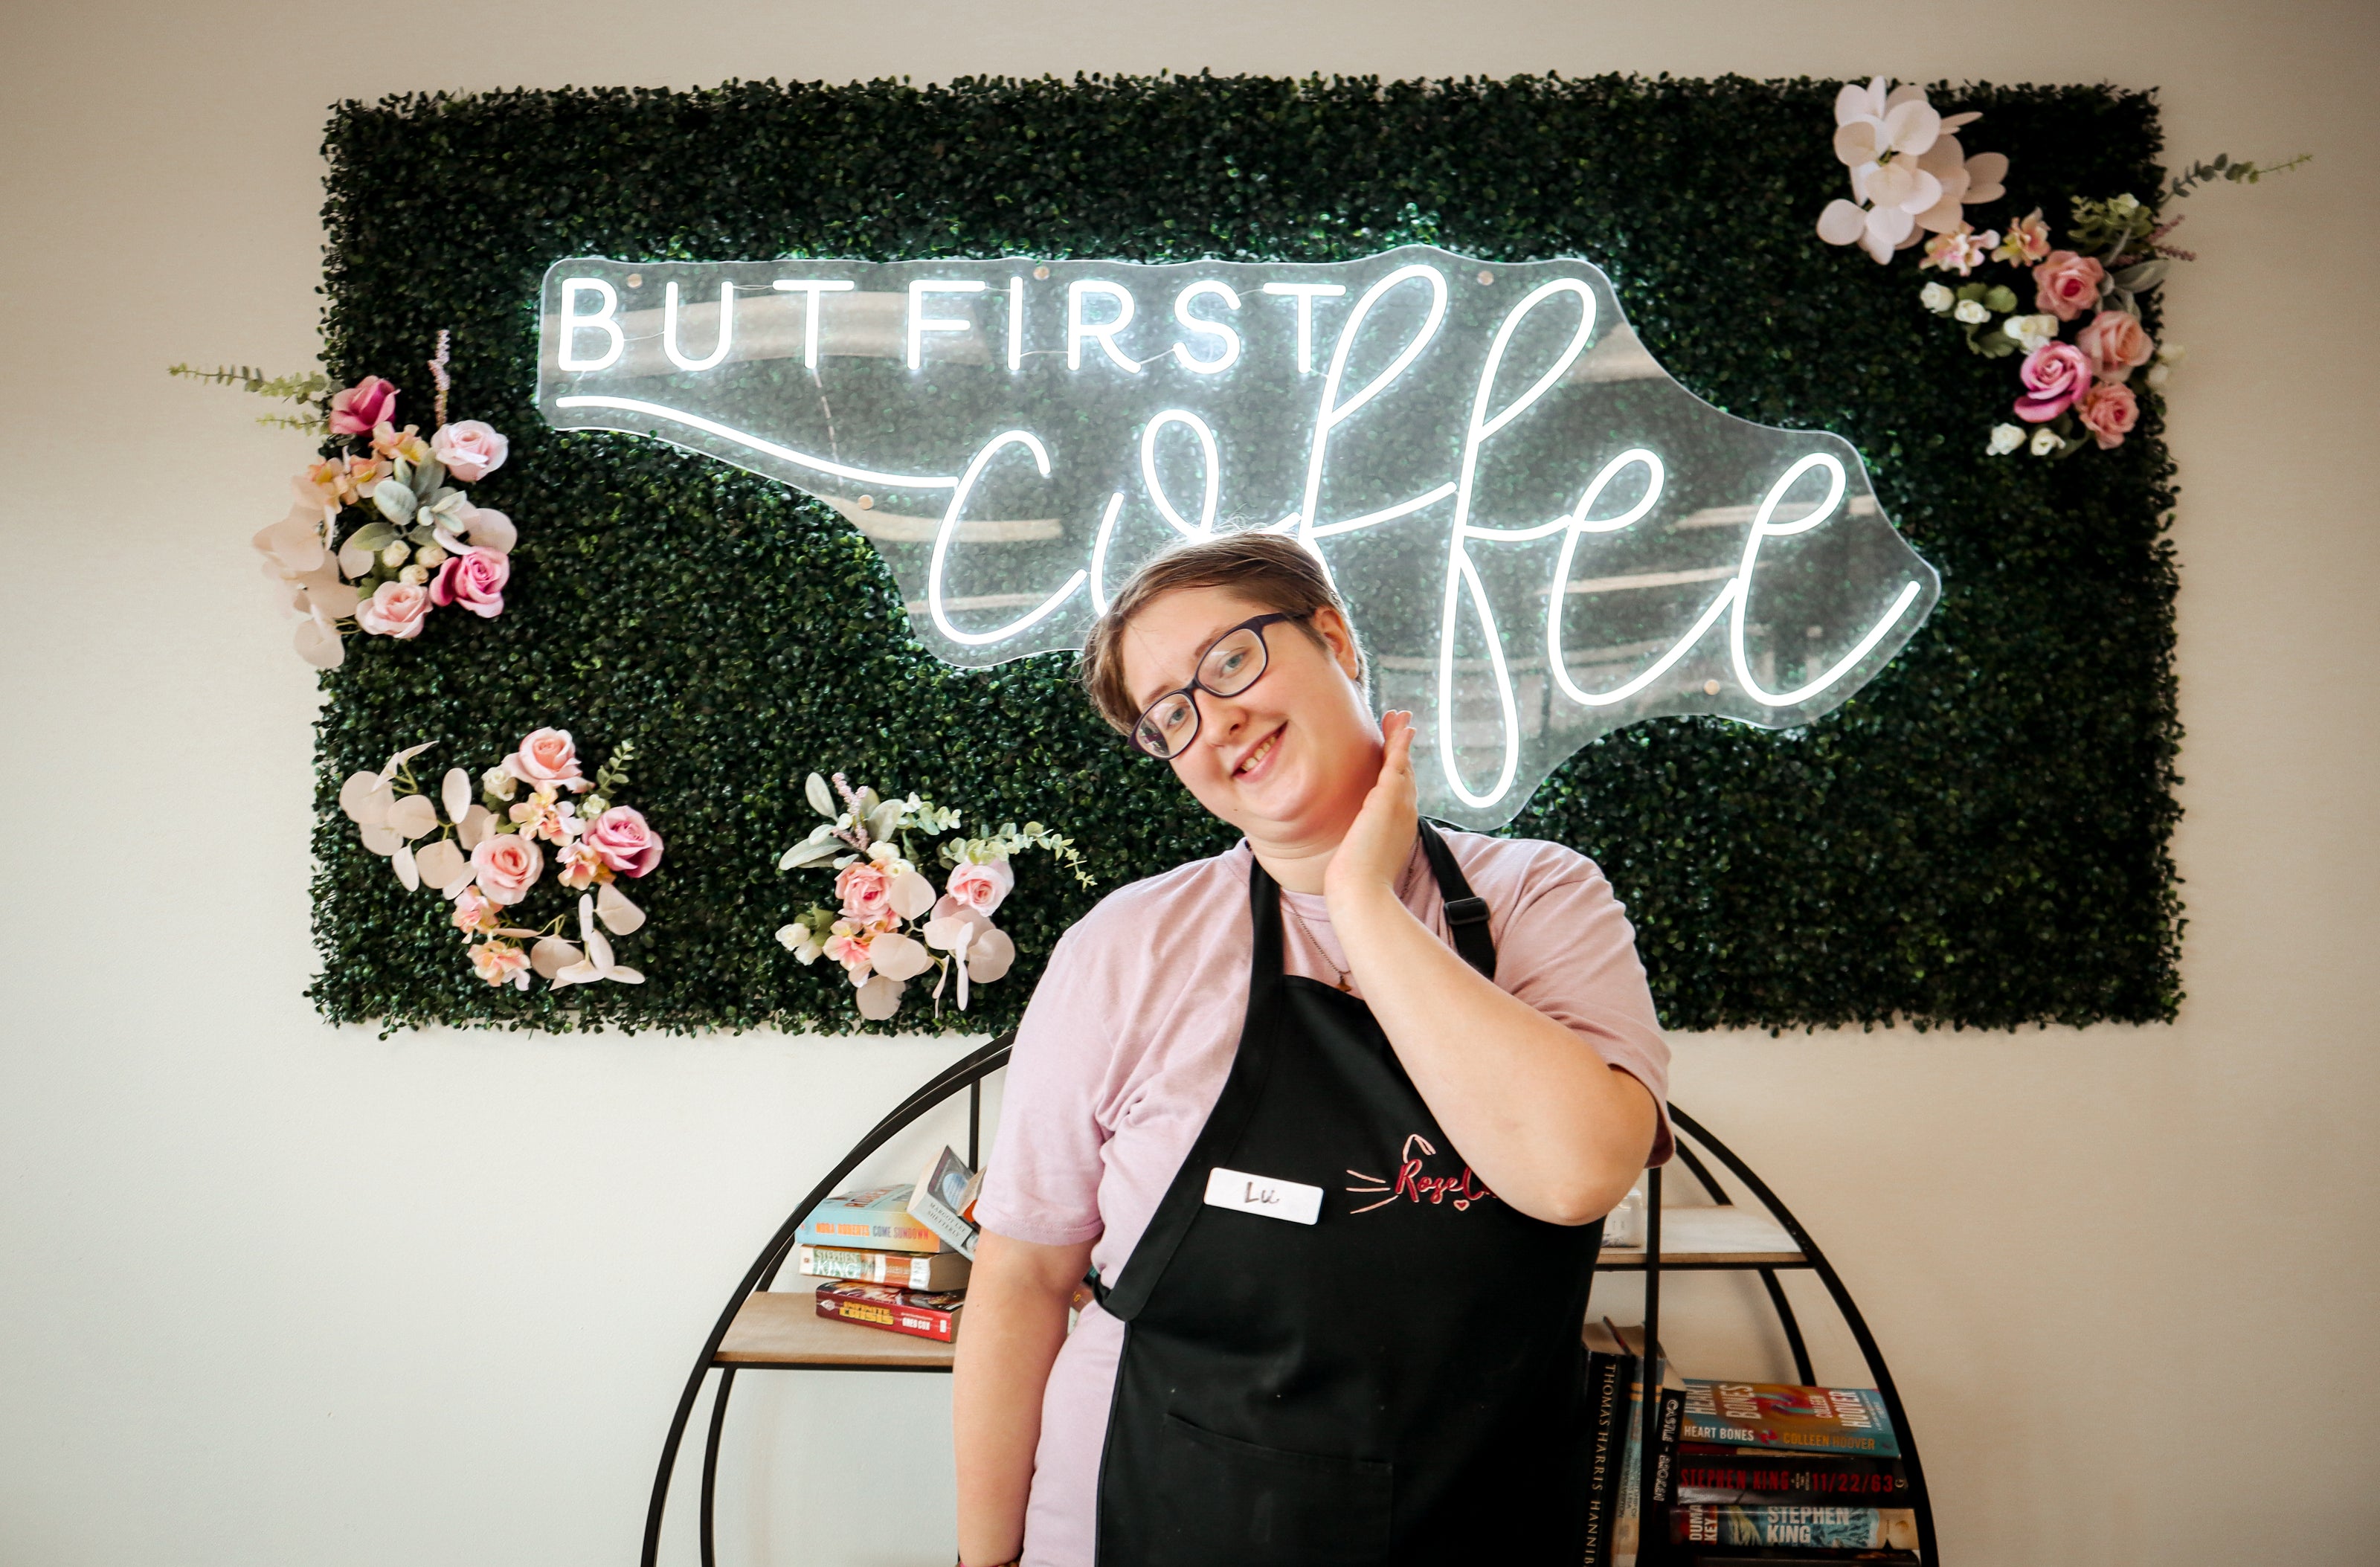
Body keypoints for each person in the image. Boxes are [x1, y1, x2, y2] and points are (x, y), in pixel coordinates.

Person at [951, 532, 1670, 1567]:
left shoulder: (1540, 899)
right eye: (1173, 716)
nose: (1216, 719)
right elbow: (1021, 1278)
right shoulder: (1126, 946)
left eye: (1231, 661)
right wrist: (984, 1562)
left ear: (1331, 635)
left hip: (1474, 1515)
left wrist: (1362, 906)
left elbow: (1574, 1174)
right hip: (1155, 1507)